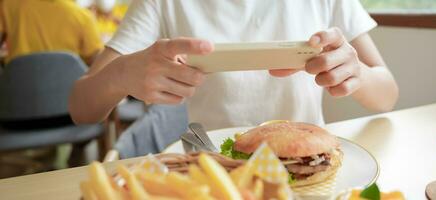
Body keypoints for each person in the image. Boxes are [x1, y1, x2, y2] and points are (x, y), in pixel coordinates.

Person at [69, 0, 399, 131]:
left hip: (311, 172)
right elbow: (81, 107)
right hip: (213, 172)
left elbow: (387, 95)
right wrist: (122, 74)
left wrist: (356, 74)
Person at [0, 0, 103, 65]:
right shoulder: (82, 16)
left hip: (16, 92)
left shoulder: (8, 3)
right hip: (66, 94)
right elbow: (97, 62)